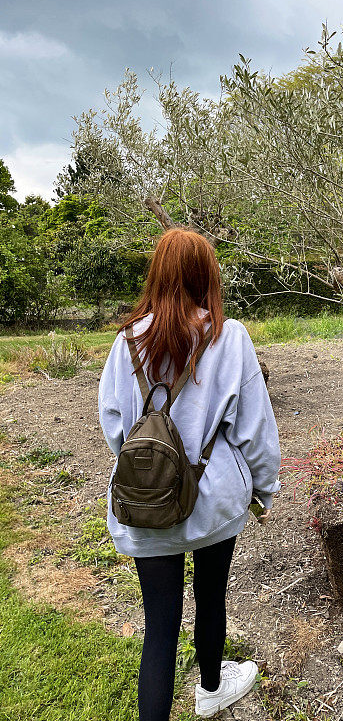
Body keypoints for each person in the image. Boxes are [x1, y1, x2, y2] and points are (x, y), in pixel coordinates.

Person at [98, 228, 281, 720]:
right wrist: (263, 490)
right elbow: (254, 428)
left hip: (145, 502)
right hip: (213, 499)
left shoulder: (126, 343)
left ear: (157, 274)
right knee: (210, 600)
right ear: (206, 277)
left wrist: (150, 472)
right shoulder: (228, 336)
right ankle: (211, 689)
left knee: (159, 627)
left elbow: (114, 426)